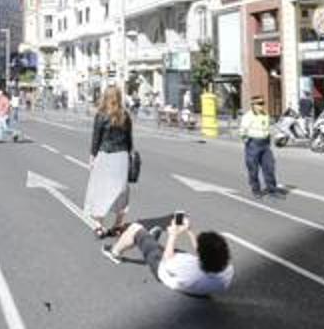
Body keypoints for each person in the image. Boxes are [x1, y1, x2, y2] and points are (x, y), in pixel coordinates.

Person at [104, 215, 234, 297]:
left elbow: (166, 261)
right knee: (159, 246)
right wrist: (189, 230)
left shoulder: (188, 268)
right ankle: (150, 240)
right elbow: (203, 252)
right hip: (200, 285)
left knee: (136, 229)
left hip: (162, 269)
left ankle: (114, 252)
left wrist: (173, 234)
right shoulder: (227, 270)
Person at [83, 86, 136, 239]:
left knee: (100, 189)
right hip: (122, 157)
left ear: (105, 97)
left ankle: (99, 226)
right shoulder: (125, 115)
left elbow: (96, 138)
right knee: (121, 191)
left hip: (105, 155)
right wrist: (129, 155)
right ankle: (118, 225)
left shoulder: (101, 115)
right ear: (119, 97)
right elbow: (129, 139)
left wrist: (92, 157)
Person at [239, 96, 283, 199]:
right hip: (253, 143)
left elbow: (268, 127)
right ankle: (256, 190)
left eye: (263, 103)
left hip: (265, 143)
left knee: (269, 167)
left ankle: (272, 189)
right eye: (259, 104)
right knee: (253, 168)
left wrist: (275, 135)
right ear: (253, 105)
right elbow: (242, 131)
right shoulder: (248, 116)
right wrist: (247, 142)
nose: (261, 106)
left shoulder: (265, 115)